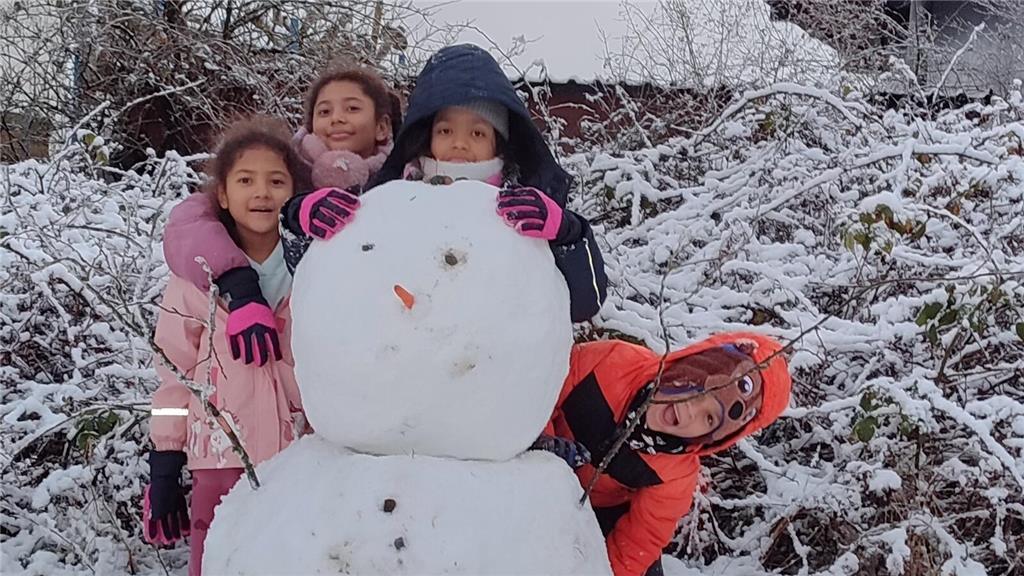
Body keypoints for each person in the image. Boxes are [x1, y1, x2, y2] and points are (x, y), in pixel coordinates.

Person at [284, 44, 608, 322]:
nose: (460, 144)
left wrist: (568, 233)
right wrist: (300, 219)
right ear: (426, 137)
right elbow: (320, 286)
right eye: (445, 131)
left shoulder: (526, 209)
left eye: (478, 132)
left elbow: (584, 304)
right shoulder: (390, 199)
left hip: (495, 378)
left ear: (500, 144)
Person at [145, 118, 307, 576]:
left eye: (276, 181)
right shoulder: (193, 283)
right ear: (222, 195)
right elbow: (173, 380)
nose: (262, 193)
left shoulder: (314, 272)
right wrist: (165, 461)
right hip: (219, 457)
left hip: (301, 458)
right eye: (245, 180)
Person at [161, 66, 401, 366]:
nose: (337, 118)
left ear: (382, 126)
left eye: (352, 108)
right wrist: (238, 284)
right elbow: (188, 226)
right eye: (324, 111)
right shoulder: (290, 167)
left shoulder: (403, 181)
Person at [536, 332, 793, 576]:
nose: (691, 412)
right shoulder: (613, 362)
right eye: (701, 389)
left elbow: (637, 545)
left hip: (597, 509)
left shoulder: (676, 475)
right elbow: (541, 384)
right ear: (691, 366)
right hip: (528, 455)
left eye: (710, 418)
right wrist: (542, 443)